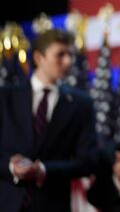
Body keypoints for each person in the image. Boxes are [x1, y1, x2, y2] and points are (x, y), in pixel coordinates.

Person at [0, 28, 97, 212]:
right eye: (60, 55)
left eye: (70, 55)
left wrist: (43, 170)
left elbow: (88, 160)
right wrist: (11, 167)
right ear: (38, 58)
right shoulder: (5, 98)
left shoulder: (81, 104)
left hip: (53, 204)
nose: (68, 61)